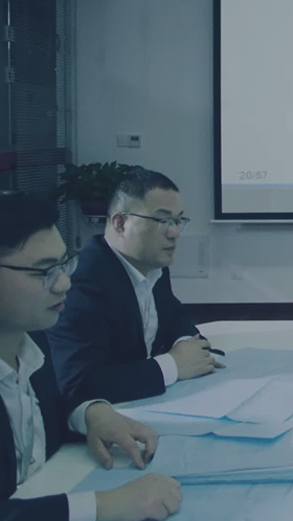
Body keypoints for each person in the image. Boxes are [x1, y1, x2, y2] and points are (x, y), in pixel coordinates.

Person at [0, 192, 182, 521]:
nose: (65, 283)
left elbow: (49, 404)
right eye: (43, 271)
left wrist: (90, 413)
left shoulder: (31, 336)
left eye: (65, 264)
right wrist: (103, 507)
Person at [48, 168, 224, 406]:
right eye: (162, 221)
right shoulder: (82, 285)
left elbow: (173, 314)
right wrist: (173, 365)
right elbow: (78, 383)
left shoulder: (151, 264)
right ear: (120, 223)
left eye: (177, 221)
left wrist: (186, 343)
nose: (174, 233)